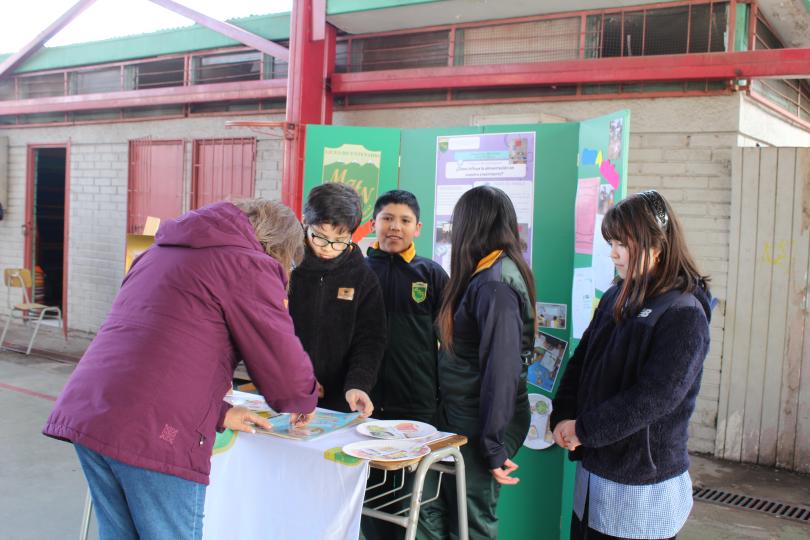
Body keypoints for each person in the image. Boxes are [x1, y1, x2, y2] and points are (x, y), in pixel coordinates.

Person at [42, 199, 319, 540]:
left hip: (92, 411)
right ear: (279, 247)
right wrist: (302, 400)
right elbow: (282, 364)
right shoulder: (248, 264)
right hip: (153, 432)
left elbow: (156, 350)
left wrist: (218, 412)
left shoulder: (158, 254)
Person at [550, 190, 712, 540]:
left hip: (642, 490)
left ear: (656, 247)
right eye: (611, 243)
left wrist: (584, 429)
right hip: (594, 480)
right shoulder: (615, 295)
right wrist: (563, 414)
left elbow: (654, 398)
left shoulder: (684, 313)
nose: (613, 254)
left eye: (622, 244)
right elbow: (582, 361)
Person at [418, 185, 535, 540]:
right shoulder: (481, 274)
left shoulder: (495, 285)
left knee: (471, 522)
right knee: (431, 508)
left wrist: (493, 445)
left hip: (481, 421)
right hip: (458, 416)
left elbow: (502, 370)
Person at [361, 190, 449, 540]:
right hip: (365, 404)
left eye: (404, 220)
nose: (394, 227)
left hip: (416, 405)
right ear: (373, 224)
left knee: (412, 501)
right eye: (387, 218)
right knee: (367, 495)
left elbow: (450, 342)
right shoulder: (360, 271)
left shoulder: (432, 274)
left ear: (418, 228)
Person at [288, 182, 386, 416]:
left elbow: (370, 339)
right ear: (304, 222)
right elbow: (267, 332)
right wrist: (295, 378)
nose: (328, 249)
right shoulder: (284, 267)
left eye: (339, 241)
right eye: (320, 237)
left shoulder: (362, 277)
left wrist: (358, 385)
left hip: (339, 404)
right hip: (285, 393)